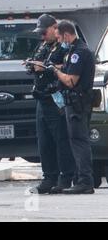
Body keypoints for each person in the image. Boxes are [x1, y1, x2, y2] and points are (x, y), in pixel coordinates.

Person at [27, 14, 76, 194]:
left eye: (44, 32)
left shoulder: (64, 46)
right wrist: (32, 65)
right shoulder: (42, 46)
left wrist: (46, 67)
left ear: (55, 28)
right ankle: (49, 177)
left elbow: (68, 66)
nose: (41, 36)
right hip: (41, 98)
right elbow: (31, 63)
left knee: (61, 139)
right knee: (44, 141)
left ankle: (65, 177)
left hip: (56, 98)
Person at [48, 20, 96, 194]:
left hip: (78, 104)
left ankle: (85, 181)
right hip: (73, 103)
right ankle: (80, 179)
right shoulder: (73, 51)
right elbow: (68, 68)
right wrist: (54, 66)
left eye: (59, 37)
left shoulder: (79, 52)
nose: (59, 41)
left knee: (79, 141)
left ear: (67, 34)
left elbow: (71, 80)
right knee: (76, 141)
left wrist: (56, 72)